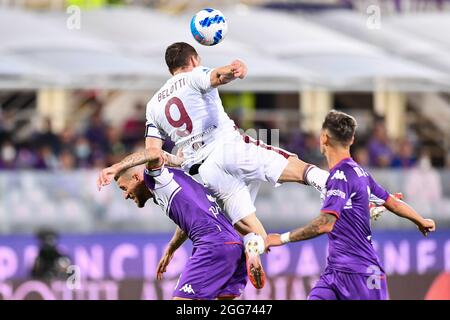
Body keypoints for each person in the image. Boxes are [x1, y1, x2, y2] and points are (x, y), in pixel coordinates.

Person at [97, 42, 331, 289]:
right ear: (194, 60)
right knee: (292, 165)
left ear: (169, 69)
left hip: (204, 171)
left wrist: (117, 166)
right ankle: (339, 188)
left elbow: (153, 151)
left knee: (251, 228)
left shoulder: (153, 106)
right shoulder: (193, 76)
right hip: (227, 146)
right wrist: (234, 69)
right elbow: (217, 76)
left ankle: (253, 247)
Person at [265, 110, 436, 300]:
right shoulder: (360, 173)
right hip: (334, 273)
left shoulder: (340, 177)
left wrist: (281, 239)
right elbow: (391, 202)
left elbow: (324, 224)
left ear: (323, 139)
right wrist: (420, 220)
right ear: (352, 139)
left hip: (362, 275)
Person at [115, 161, 247, 300]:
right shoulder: (175, 180)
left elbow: (153, 153)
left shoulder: (156, 177)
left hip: (213, 245)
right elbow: (188, 218)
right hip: (235, 244)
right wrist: (171, 248)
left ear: (136, 178)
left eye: (124, 188)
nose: (125, 195)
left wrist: (114, 167)